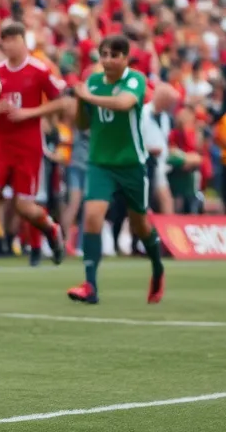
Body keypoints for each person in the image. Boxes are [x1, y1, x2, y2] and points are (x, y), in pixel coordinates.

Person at [69, 35, 166, 306]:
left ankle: (157, 268)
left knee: (140, 224)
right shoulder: (93, 82)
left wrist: (89, 96)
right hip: (100, 162)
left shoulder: (134, 80)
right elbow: (82, 125)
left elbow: (124, 103)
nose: (109, 60)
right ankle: (90, 284)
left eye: (114, 55)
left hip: (131, 164)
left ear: (125, 58)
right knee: (92, 217)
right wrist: (80, 101)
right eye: (104, 55)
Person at [0, 22, 68, 270]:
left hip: (27, 145)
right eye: (5, 39)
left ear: (24, 41)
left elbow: (61, 101)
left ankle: (50, 229)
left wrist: (30, 113)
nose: (9, 44)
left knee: (24, 206)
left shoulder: (39, 70)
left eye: (14, 39)